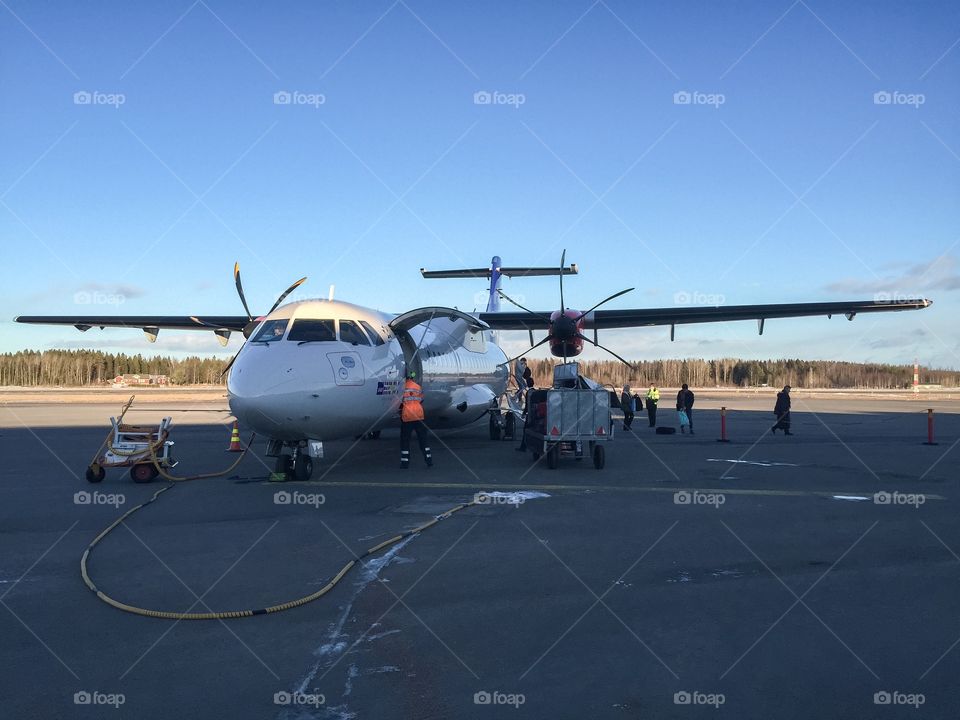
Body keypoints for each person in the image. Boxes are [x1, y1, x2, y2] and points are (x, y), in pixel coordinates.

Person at [400, 370, 433, 467]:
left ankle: (405, 463)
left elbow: (399, 402)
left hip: (407, 417)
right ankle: (429, 460)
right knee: (423, 439)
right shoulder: (417, 387)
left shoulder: (402, 388)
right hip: (419, 415)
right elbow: (421, 399)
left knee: (405, 440)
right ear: (412, 377)